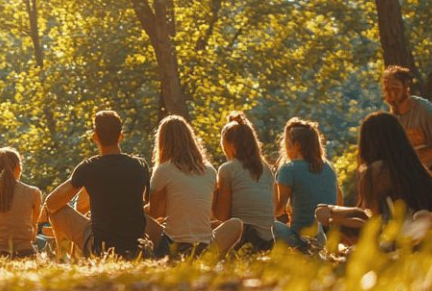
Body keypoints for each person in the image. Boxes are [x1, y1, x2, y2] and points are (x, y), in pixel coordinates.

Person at [45, 110, 156, 258]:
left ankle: (63, 259)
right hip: (137, 247)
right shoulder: (140, 165)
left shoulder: (89, 167)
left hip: (101, 248)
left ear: (94, 136)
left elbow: (51, 203)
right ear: (121, 136)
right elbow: (145, 202)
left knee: (57, 211)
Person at [316, 112, 432, 239]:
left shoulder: (377, 170)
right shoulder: (417, 169)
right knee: (326, 211)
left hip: (393, 238)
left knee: (323, 214)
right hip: (422, 232)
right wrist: (334, 210)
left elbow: (371, 219)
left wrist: (334, 220)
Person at [148, 116, 243, 256]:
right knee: (236, 224)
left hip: (172, 243)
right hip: (204, 243)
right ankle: (206, 255)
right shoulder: (210, 171)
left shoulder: (163, 170)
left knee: (140, 218)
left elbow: (156, 213)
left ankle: (173, 254)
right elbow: (207, 211)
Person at [382, 65, 432, 189]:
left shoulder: (423, 108)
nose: (392, 93)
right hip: (416, 178)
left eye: (396, 88)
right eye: (387, 89)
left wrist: (417, 158)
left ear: (406, 86)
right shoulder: (393, 118)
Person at [271, 118, 341, 250]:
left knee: (271, 226)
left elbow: (277, 210)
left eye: (286, 143)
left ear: (297, 145)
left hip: (304, 241)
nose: (284, 148)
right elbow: (339, 200)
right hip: (329, 238)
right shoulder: (328, 167)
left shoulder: (289, 169)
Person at [214, 112, 276, 251]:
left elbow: (222, 215)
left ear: (231, 145)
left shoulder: (227, 169)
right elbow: (274, 208)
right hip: (269, 241)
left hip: (245, 238)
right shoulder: (266, 169)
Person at [0, 147, 44, 257]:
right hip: (26, 251)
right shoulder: (34, 192)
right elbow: (34, 226)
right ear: (19, 167)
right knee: (43, 240)